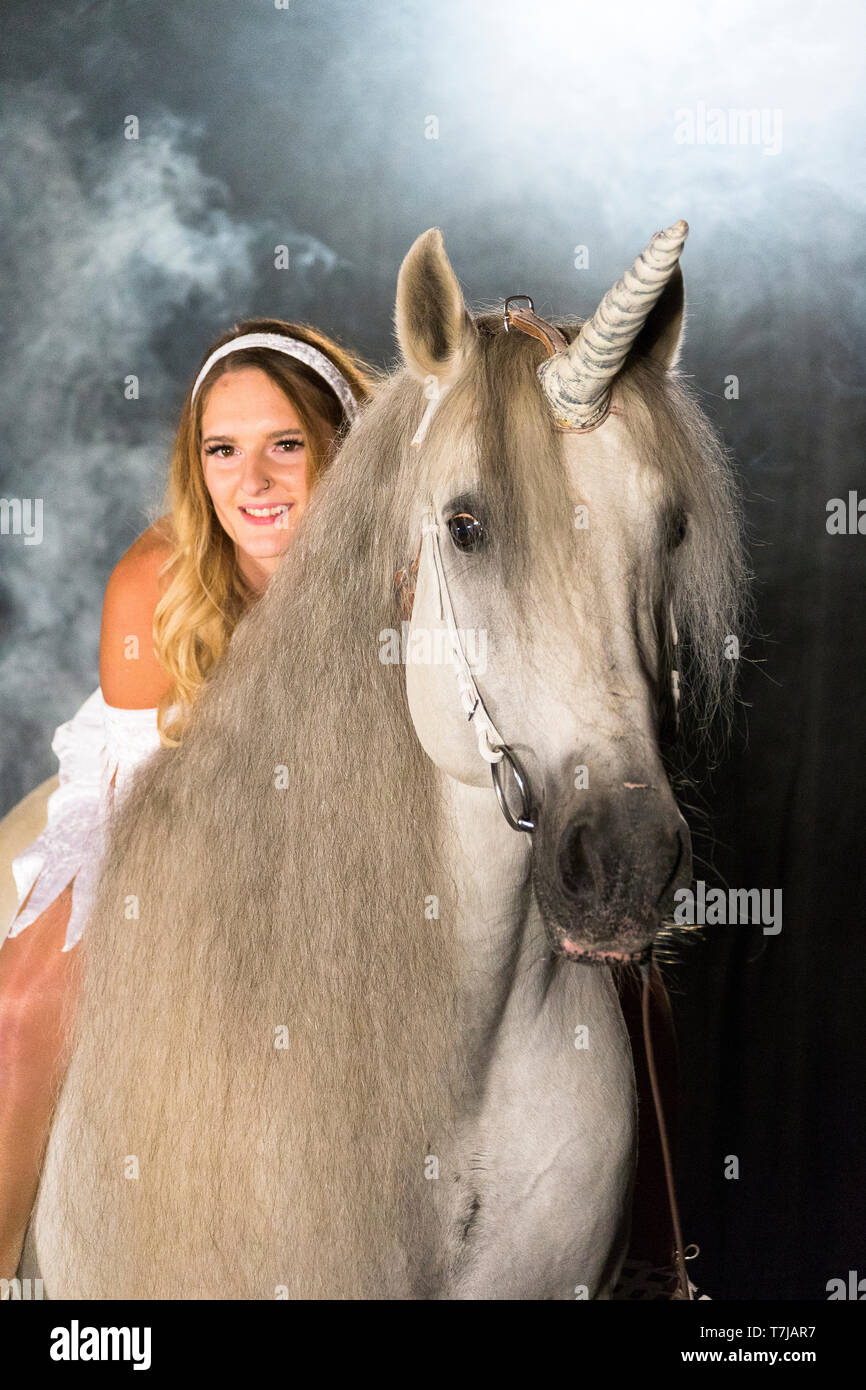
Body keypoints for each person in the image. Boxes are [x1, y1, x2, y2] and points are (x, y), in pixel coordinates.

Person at [0, 318, 373, 1278]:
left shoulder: (410, 573)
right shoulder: (153, 582)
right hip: (169, 806)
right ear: (196, 464)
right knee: (20, 1000)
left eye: (285, 445)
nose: (252, 482)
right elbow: (147, 811)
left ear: (338, 447)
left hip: (362, 812)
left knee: (624, 973)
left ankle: (657, 1262)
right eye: (223, 451)